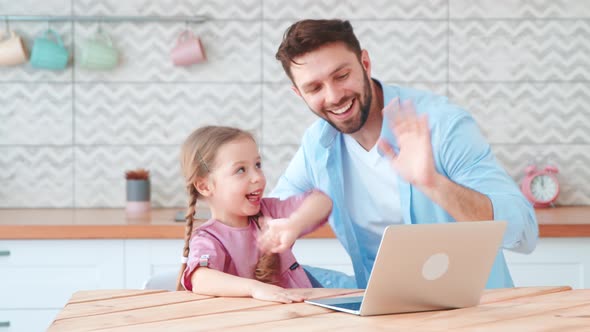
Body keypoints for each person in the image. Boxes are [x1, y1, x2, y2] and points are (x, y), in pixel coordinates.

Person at [272, 19, 539, 289]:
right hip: (384, 312)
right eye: (315, 88)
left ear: (365, 63)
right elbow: (266, 218)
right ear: (299, 94)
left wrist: (434, 184)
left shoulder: (441, 125)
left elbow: (525, 232)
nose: (333, 96)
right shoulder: (318, 145)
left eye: (341, 76)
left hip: (474, 311)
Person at [175, 125, 333, 303]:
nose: (257, 176)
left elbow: (322, 201)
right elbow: (200, 279)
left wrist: (294, 224)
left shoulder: (270, 212)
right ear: (205, 186)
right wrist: (254, 288)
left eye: (257, 165)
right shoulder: (208, 238)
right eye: (241, 170)